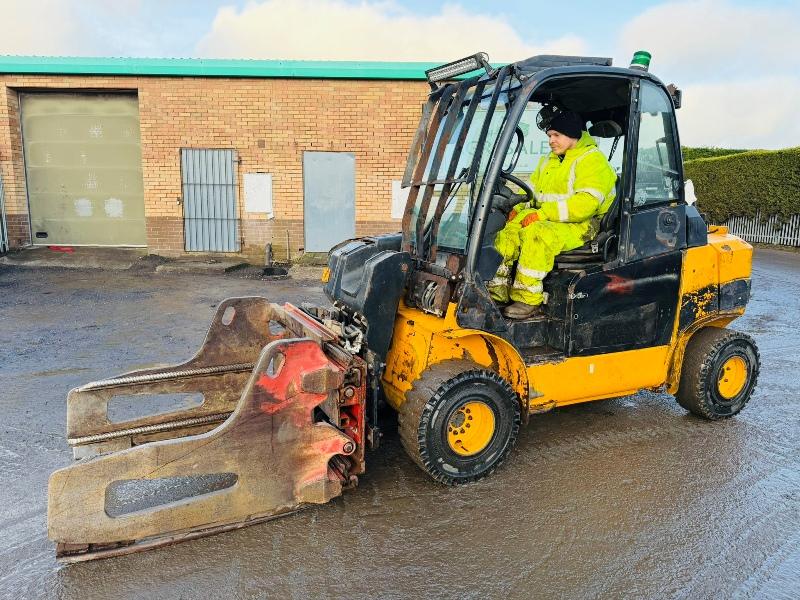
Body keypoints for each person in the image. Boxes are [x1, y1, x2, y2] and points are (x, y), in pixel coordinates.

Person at [488, 110, 617, 319]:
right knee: (507, 230)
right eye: (549, 136)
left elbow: (584, 205)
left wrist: (543, 214)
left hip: (583, 224)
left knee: (537, 235)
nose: (551, 141)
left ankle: (528, 299)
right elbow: (530, 191)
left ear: (572, 134)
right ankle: (496, 292)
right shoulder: (550, 160)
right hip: (551, 217)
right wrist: (516, 208)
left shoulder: (592, 160)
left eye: (556, 135)